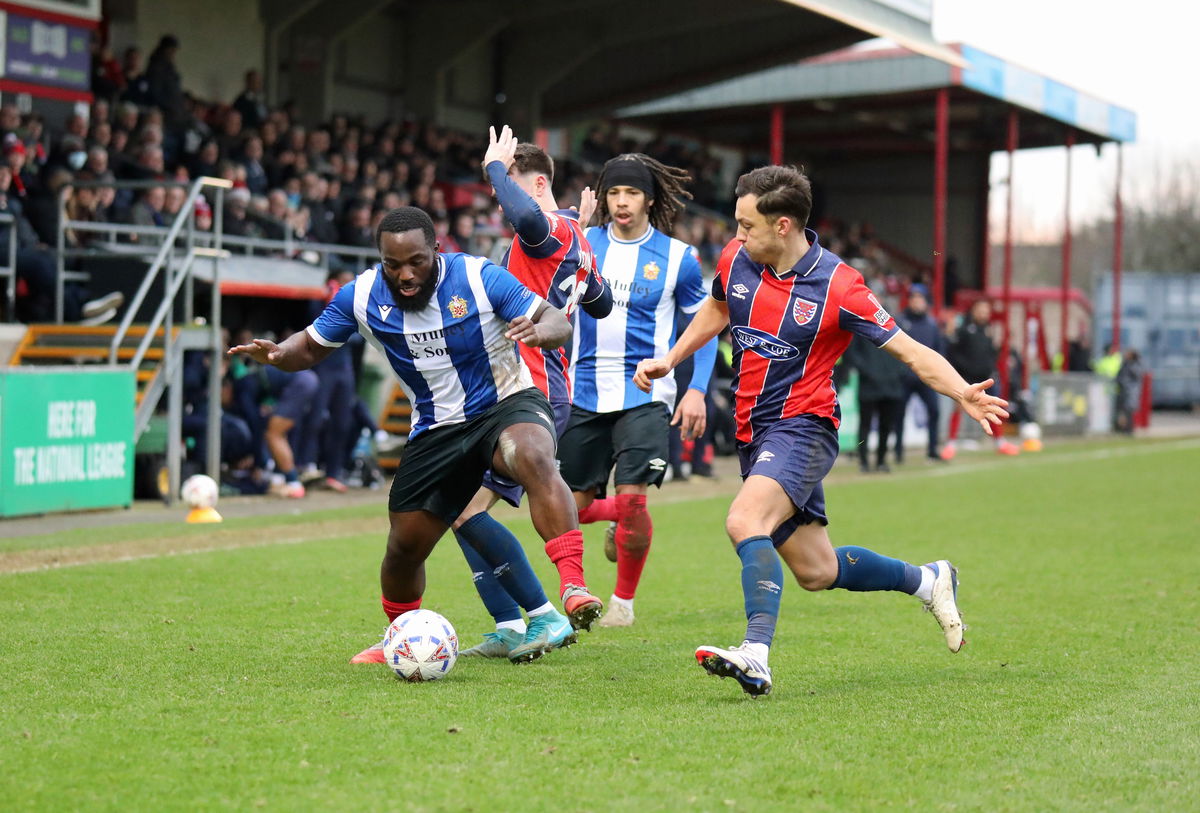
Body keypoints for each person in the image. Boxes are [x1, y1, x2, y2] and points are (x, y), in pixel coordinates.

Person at [634, 166, 1009, 696]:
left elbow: (910, 351)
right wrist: (671, 358)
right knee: (817, 570)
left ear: (783, 225)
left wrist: (962, 391)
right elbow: (717, 308)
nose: (736, 235)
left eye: (747, 225)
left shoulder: (840, 286)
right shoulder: (736, 258)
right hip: (753, 433)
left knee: (744, 520)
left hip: (804, 428)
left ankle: (756, 653)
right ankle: (929, 580)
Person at [228, 207, 585, 665]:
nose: (406, 275)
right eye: (392, 265)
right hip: (435, 428)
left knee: (530, 455)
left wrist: (540, 330)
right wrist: (279, 354)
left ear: (436, 249)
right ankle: (399, 635)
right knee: (404, 547)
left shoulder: (477, 277)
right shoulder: (361, 295)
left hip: (504, 403)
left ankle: (572, 586)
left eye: (416, 261)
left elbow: (557, 320)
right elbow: (311, 346)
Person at [451, 127, 612, 658]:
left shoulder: (543, 230)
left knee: (469, 508)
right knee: (463, 510)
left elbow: (527, 220)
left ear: (538, 183)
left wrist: (494, 167)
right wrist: (579, 232)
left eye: (509, 185)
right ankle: (514, 623)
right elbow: (602, 304)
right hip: (531, 384)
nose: (501, 199)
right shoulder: (575, 236)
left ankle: (555, 603)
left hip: (531, 385)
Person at [564, 153, 718, 628]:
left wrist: (697, 391)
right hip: (583, 390)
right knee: (569, 509)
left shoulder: (679, 258)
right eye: (613, 193)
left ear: (649, 199)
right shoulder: (582, 244)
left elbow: (706, 326)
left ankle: (623, 604)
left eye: (631, 193)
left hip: (647, 392)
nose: (622, 202)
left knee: (633, 500)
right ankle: (621, 517)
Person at [941, 299, 1019, 459]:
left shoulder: (988, 331)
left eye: (986, 311)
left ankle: (1000, 443)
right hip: (966, 377)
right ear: (974, 311)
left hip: (985, 377)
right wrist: (964, 368)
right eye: (981, 310)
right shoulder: (964, 330)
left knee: (991, 409)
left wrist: (991, 367)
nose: (984, 314)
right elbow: (953, 352)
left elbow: (990, 354)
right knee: (958, 408)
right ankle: (950, 445)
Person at [894, 284, 945, 462]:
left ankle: (932, 450)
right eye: (914, 298)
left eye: (920, 298)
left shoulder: (931, 325)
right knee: (899, 414)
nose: (917, 302)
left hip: (926, 378)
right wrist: (900, 371)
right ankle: (898, 451)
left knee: (934, 411)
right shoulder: (900, 321)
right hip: (905, 377)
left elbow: (939, 350)